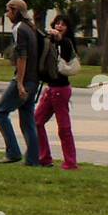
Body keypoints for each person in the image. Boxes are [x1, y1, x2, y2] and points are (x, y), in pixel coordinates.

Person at [0, 0, 40, 165]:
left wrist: (19, 83)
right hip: (34, 80)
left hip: (24, 80)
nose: (6, 14)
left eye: (8, 10)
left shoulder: (19, 28)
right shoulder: (31, 27)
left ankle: (13, 152)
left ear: (15, 11)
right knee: (28, 120)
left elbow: (22, 57)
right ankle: (33, 160)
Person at [34, 13, 79, 169]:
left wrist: (58, 38)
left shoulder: (67, 43)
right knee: (37, 122)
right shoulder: (49, 42)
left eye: (63, 24)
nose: (59, 26)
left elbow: (65, 48)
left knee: (64, 128)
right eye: (57, 23)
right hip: (51, 88)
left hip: (61, 89)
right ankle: (44, 157)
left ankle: (70, 162)